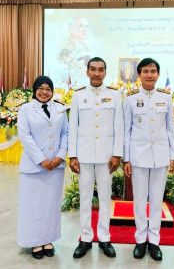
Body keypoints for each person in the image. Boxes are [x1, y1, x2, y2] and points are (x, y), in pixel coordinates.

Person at [68, 57, 124, 259]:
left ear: (105, 72)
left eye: (100, 70)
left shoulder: (115, 95)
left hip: (107, 156)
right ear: (87, 72)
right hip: (83, 155)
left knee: (105, 198)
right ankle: (85, 238)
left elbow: (119, 126)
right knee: (84, 197)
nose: (96, 73)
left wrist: (117, 154)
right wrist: (72, 155)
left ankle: (104, 237)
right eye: (93, 69)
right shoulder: (78, 95)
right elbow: (73, 126)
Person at [123, 58, 174, 261]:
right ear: (139, 75)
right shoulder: (129, 99)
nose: (149, 74)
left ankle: (154, 241)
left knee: (156, 200)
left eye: (153, 71)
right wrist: (126, 159)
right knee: (139, 200)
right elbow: (126, 131)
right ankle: (140, 239)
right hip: (138, 157)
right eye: (145, 71)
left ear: (158, 74)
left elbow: (171, 130)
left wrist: (173, 156)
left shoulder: (166, 98)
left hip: (161, 156)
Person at [17, 76, 69, 259]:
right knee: (33, 206)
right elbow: (25, 136)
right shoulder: (25, 109)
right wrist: (42, 160)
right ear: (34, 90)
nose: (44, 92)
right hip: (33, 167)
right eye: (41, 88)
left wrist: (59, 157)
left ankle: (48, 239)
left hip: (55, 167)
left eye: (48, 88)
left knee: (50, 206)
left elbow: (66, 134)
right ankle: (34, 241)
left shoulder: (60, 109)